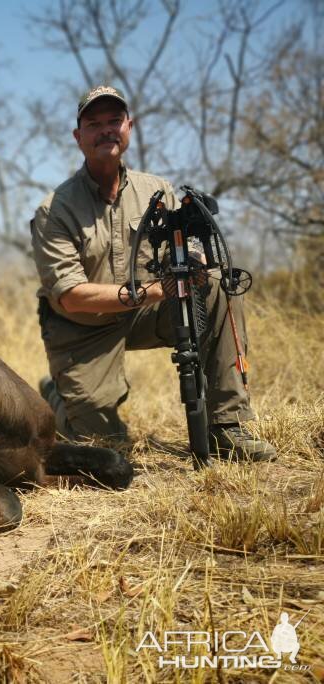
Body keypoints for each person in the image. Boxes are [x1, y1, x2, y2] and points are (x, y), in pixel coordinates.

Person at [30, 85, 275, 461]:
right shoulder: (55, 209)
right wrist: (153, 291)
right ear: (78, 137)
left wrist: (193, 262)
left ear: (130, 126)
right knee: (103, 446)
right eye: (94, 124)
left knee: (215, 289)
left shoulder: (157, 190)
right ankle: (57, 396)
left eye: (114, 120)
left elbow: (189, 250)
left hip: (145, 313)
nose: (106, 130)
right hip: (82, 328)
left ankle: (228, 425)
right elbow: (70, 294)